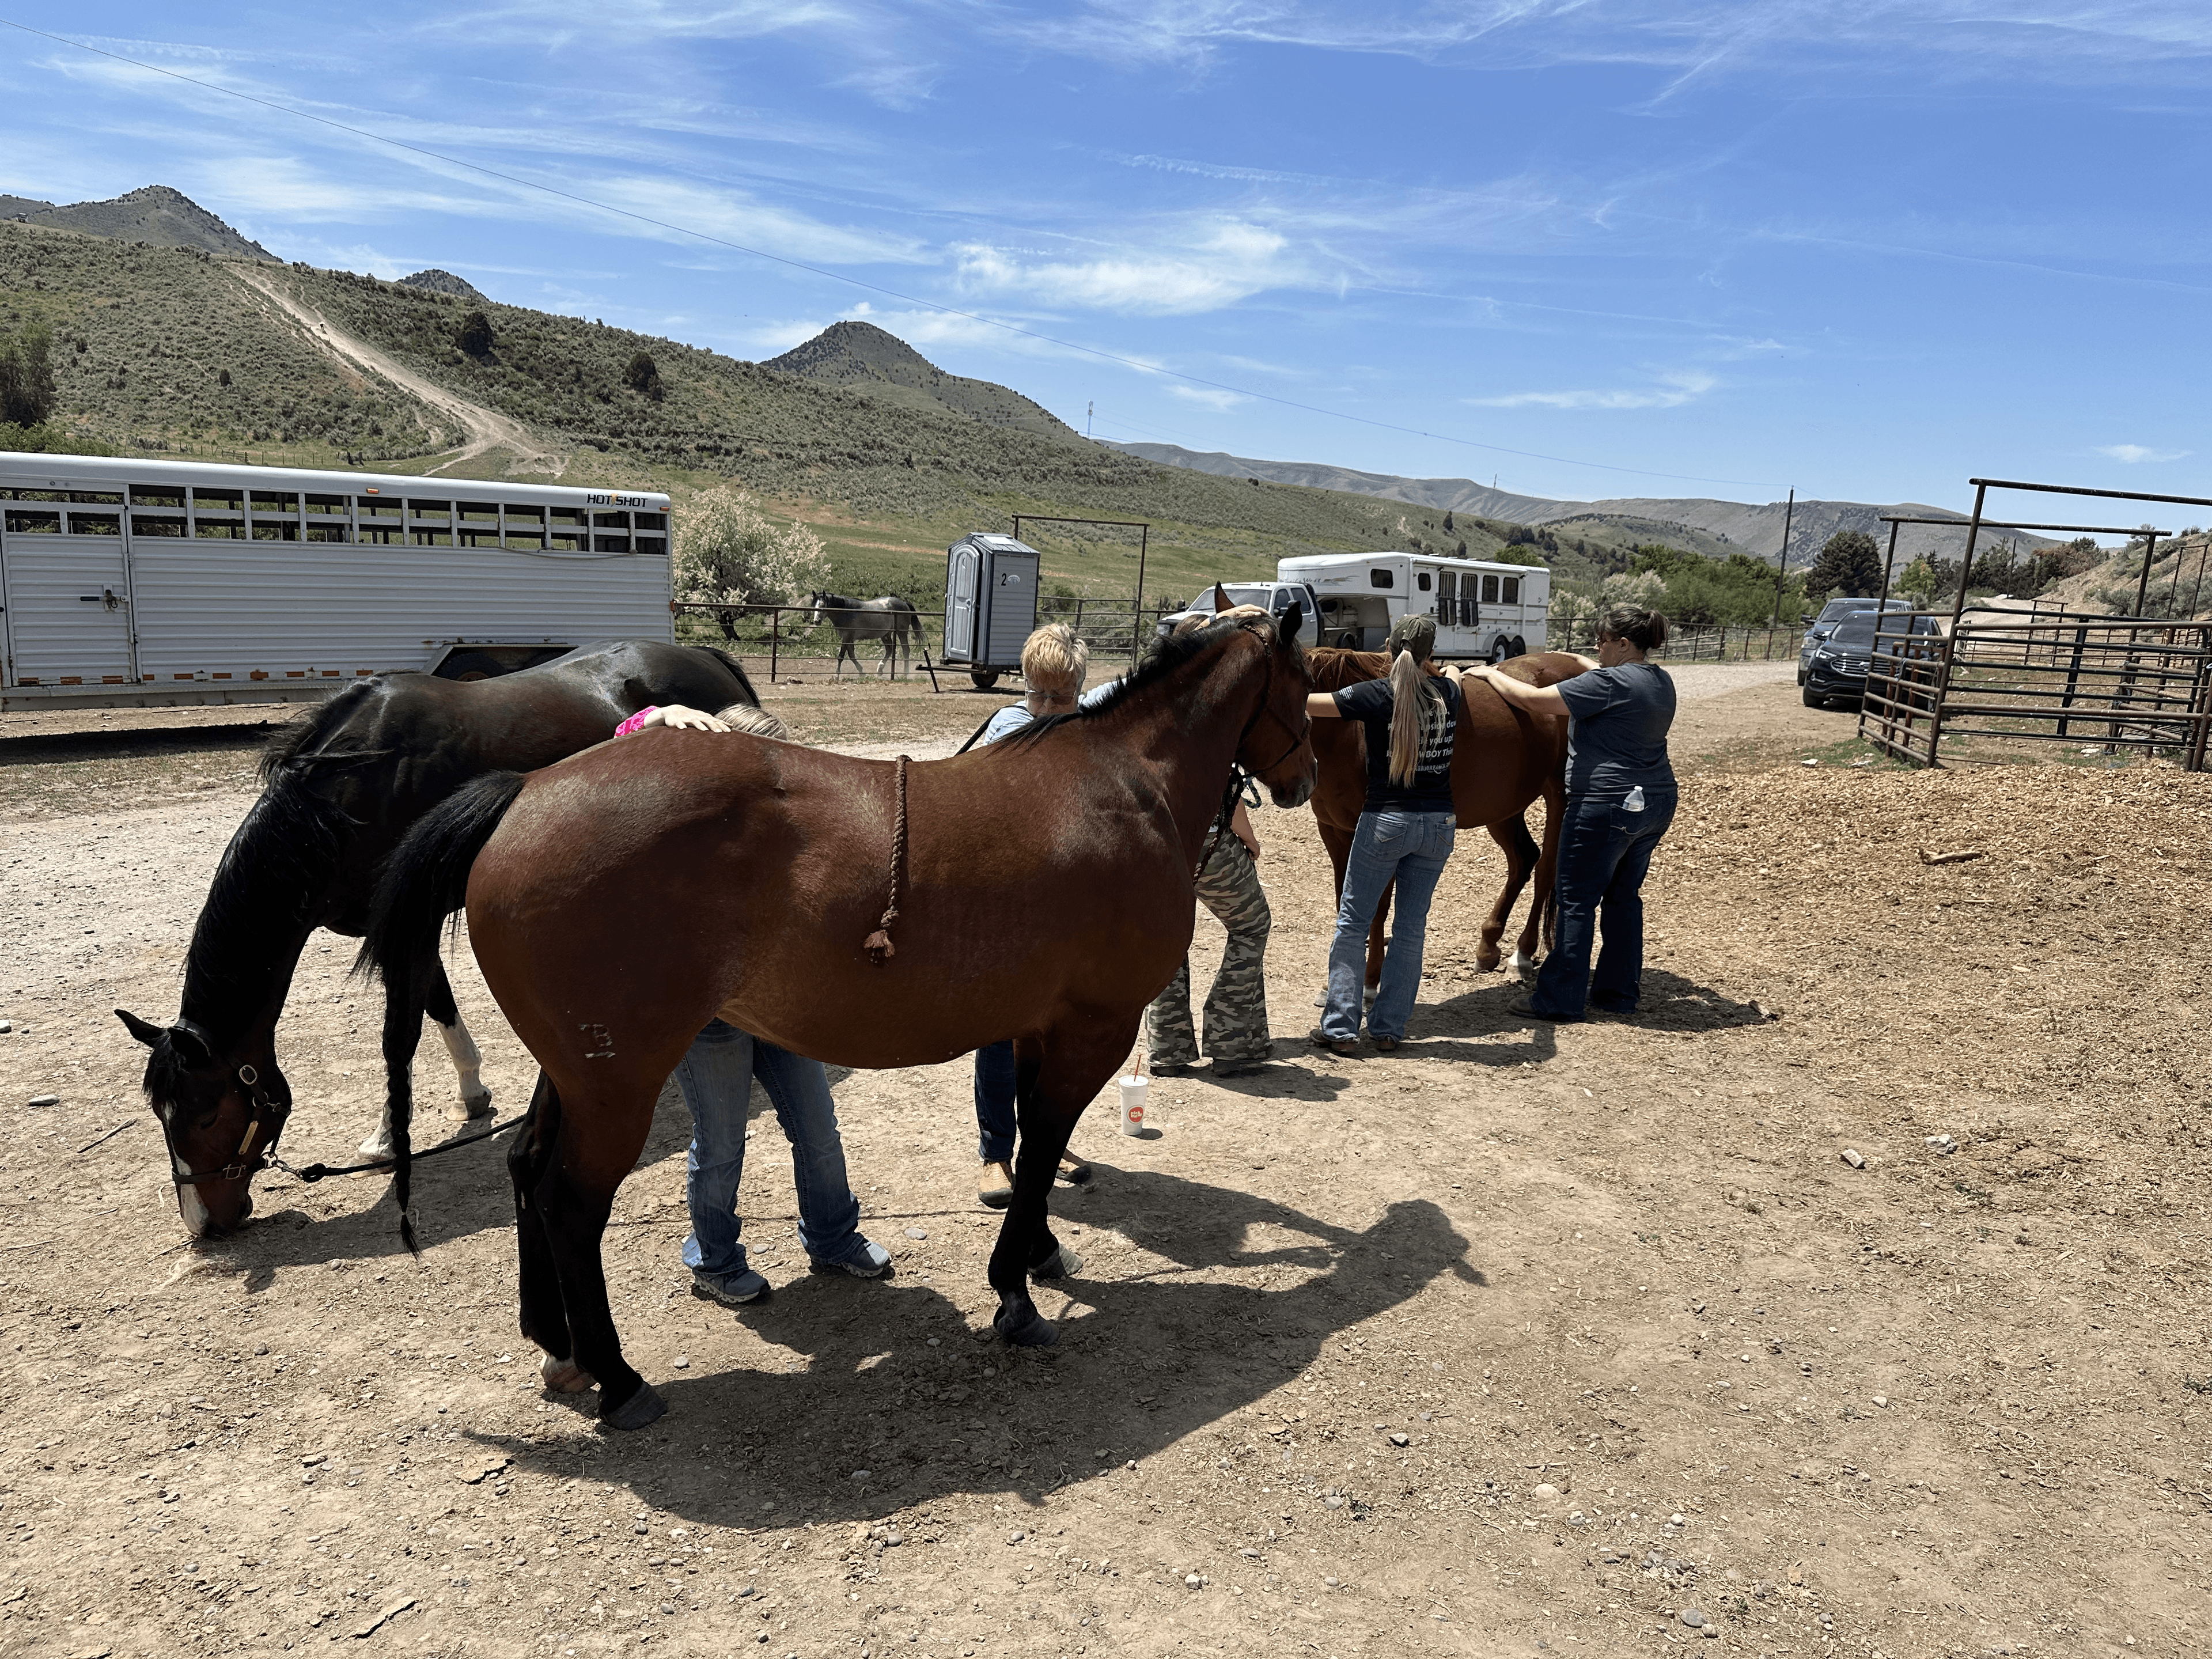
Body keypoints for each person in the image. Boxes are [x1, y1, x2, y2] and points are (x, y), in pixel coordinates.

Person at [612, 698, 892, 1305]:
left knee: (818, 1129)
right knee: (721, 1141)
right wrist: (659, 716)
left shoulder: (778, 826)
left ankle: (833, 1236)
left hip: (781, 1005)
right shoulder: (675, 824)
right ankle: (714, 1259)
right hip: (712, 1015)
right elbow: (613, 758)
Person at [1468, 602, 1677, 1023]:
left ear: (1623, 643)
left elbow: (1534, 699)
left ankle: (1559, 999)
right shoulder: (1660, 680)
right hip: (1655, 803)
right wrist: (1585, 659)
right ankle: (1618, 995)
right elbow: (1594, 668)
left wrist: (1492, 674)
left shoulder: (1607, 686)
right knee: (1623, 900)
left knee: (1576, 900)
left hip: (1605, 803)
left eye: (1602, 641)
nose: (1596, 649)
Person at [969, 623, 1100, 1208]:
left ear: (1079, 688)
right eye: (1038, 694)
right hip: (1008, 910)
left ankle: (1049, 1142)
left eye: (1060, 695)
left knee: (1058, 1037)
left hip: (1065, 915)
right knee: (1001, 1034)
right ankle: (996, 1154)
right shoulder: (1006, 732)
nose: (1047, 707)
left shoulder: (1090, 728)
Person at [1305, 613, 1463, 1055]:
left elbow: (1311, 704)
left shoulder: (1375, 695)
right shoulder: (1450, 693)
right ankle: (1389, 1028)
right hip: (1439, 825)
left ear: (1389, 650)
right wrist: (1447, 668)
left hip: (1386, 821)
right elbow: (1454, 675)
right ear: (1431, 655)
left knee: (1354, 923)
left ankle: (1340, 1028)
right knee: (1412, 929)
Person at [1145, 613, 1274, 1078]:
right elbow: (1223, 788)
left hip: (1155, 847)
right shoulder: (1209, 709)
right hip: (1206, 844)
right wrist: (1248, 837)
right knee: (1252, 924)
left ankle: (1169, 1048)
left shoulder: (1145, 705)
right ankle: (1232, 1039)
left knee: (1169, 937)